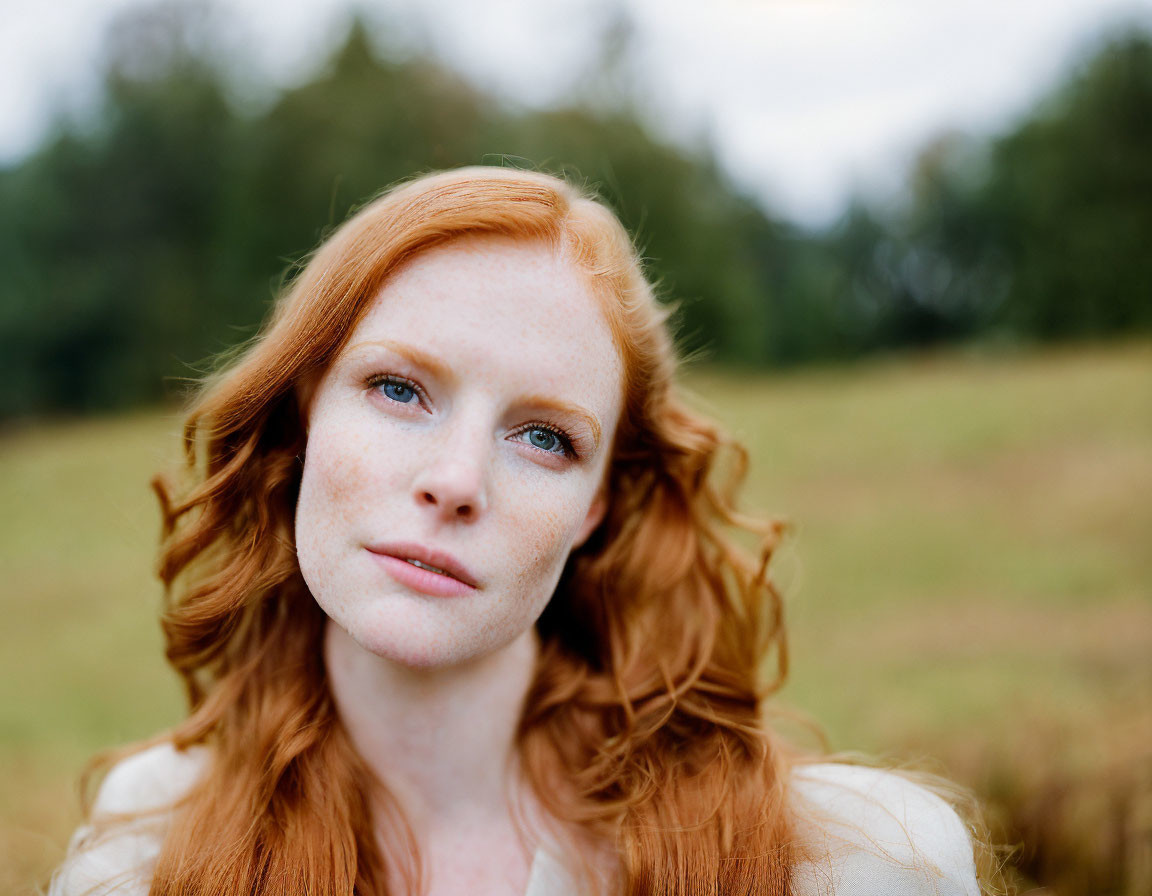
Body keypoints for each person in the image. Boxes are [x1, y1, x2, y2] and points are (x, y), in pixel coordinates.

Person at [50, 166, 998, 896]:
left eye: (544, 437)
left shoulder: (843, 863)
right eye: (399, 388)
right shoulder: (145, 856)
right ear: (304, 416)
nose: (457, 482)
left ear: (594, 505)